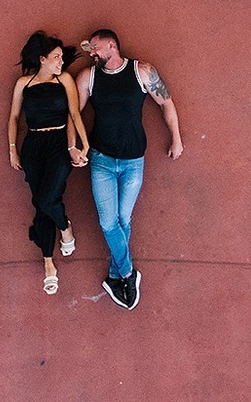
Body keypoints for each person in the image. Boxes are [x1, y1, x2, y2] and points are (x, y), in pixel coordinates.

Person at [75, 28, 182, 310]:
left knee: (123, 219)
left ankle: (114, 276)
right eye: (91, 51)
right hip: (101, 161)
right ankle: (127, 273)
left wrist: (177, 138)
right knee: (109, 222)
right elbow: (74, 114)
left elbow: (166, 102)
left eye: (96, 48)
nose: (93, 54)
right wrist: (74, 146)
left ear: (112, 45)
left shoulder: (142, 71)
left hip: (135, 160)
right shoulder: (88, 77)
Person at [7, 31, 89, 294]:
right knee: (40, 203)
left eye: (62, 58)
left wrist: (80, 144)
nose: (60, 62)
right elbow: (14, 118)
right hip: (32, 146)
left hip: (57, 145)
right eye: (56, 57)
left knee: (46, 199)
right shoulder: (23, 83)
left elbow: (74, 113)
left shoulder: (64, 79)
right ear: (42, 59)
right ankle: (48, 263)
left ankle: (65, 227)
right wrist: (12, 150)